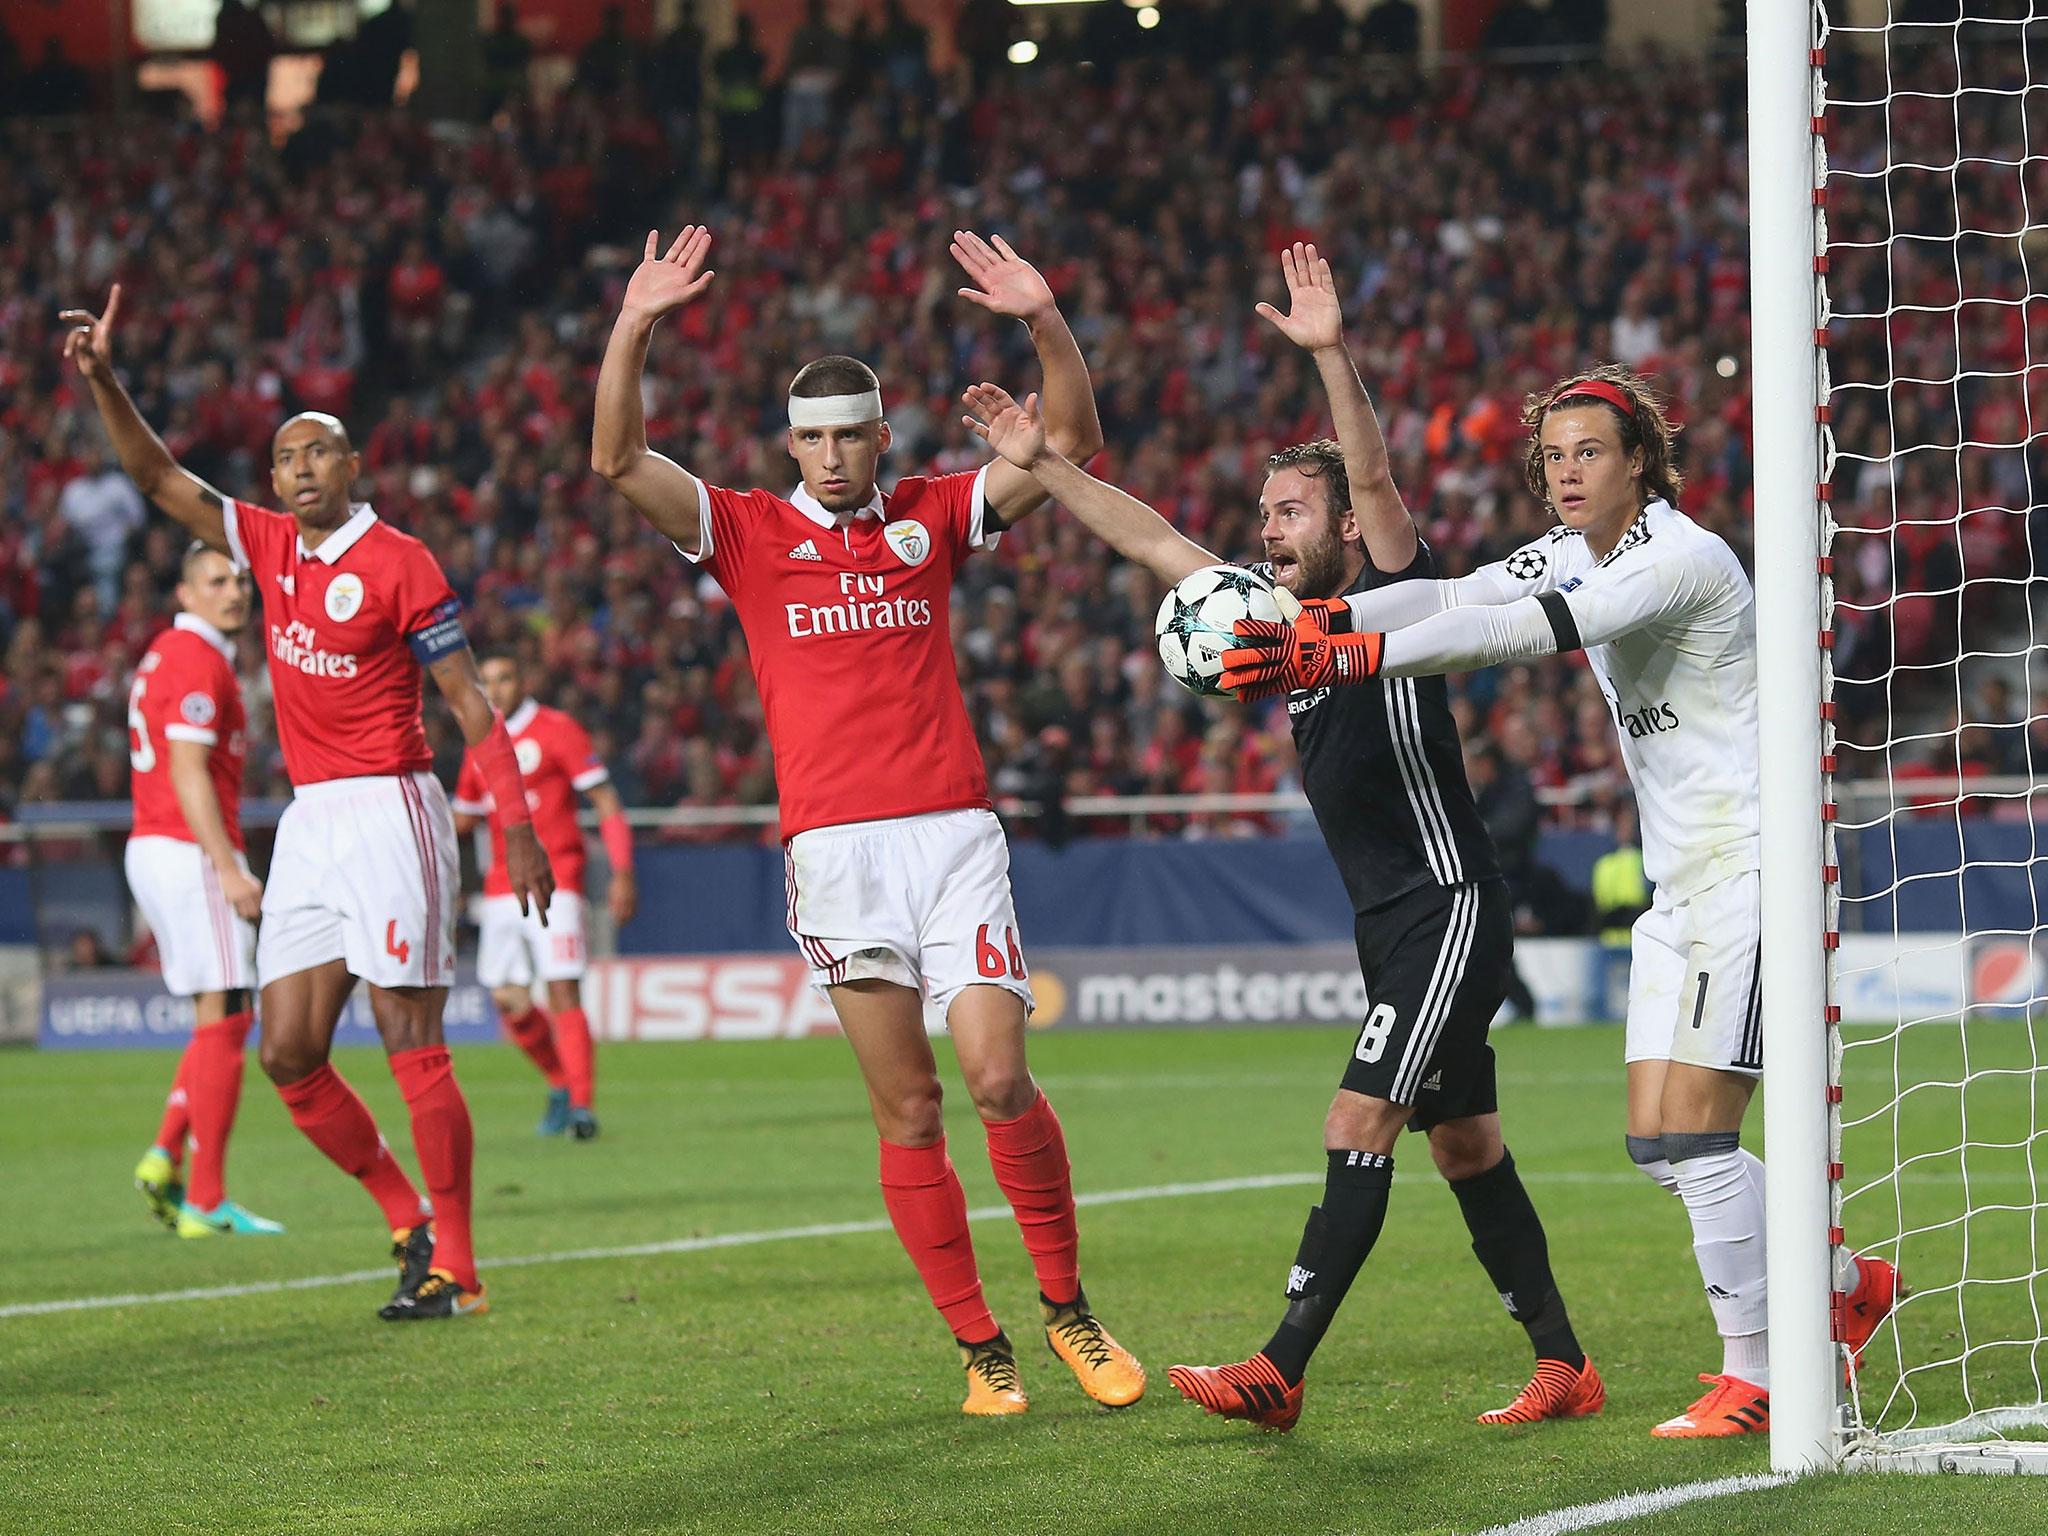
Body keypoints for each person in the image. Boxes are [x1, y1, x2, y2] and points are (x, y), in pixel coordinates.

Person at [961, 243, 1596, 1432]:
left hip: (1448, 907)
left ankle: (1279, 1368)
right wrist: (1040, 463)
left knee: (1357, 1121)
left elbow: (1374, 475)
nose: (1266, 532)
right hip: (1391, 923)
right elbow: (1152, 542)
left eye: (1289, 512)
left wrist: (1330, 359)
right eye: (1261, 515)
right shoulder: (1267, 629)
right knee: (1464, 1147)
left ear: (1348, 528)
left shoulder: (1397, 597)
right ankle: (1562, 1362)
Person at [1219, 361, 1902, 1435]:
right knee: (1653, 1143)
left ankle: (1760, 1376)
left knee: (1695, 1143)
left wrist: (1344, 648)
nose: (1566, 471)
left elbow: (1518, 631)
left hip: (1753, 866)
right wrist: (1331, 615)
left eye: (1589, 451)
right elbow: (1456, 595)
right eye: (1551, 455)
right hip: (1682, 879)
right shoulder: (1575, 546)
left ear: (1639, 460)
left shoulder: (1677, 558)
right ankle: (1843, 1284)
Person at [593, 225, 1143, 1415]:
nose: (833, 455)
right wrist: (634, 323)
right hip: (833, 854)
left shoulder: (934, 514)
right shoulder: (745, 530)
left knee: (997, 1075)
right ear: (788, 444)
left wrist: (1043, 320)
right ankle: (977, 1346)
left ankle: (1067, 1311)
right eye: (813, 437)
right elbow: (619, 460)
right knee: (909, 1106)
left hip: (951, 835)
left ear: (882, 436)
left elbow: (1071, 446)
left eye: (852, 434)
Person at [63, 284, 553, 1322]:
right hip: (309, 825)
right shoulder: (263, 545)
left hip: (392, 810)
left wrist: (515, 824)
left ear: (353, 465)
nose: (297, 470)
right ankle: (403, 1213)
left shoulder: (399, 561)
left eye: (316, 452)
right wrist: (106, 380)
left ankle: (456, 1265)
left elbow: (467, 701)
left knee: (408, 1032)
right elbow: (153, 474)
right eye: (284, 458)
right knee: (287, 1050)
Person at [127, 543, 285, 1239]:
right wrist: (226, 864)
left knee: (218, 1013)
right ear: (185, 594)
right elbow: (189, 768)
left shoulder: (168, 651)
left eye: (241, 581)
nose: (234, 592)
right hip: (189, 850)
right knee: (228, 1014)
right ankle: (207, 1198)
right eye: (216, 582)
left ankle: (166, 1155)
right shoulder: (199, 661)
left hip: (156, 843)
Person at [453, 652, 636, 1140]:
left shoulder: (558, 729)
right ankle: (560, 1082)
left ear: (523, 679)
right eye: (487, 680)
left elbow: (606, 802)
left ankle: (582, 1107)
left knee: (560, 989)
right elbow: (463, 820)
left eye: (505, 676)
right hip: (499, 888)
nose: (496, 688)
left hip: (559, 879)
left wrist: (621, 872)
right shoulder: (479, 743)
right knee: (508, 998)